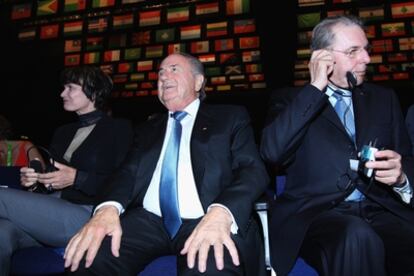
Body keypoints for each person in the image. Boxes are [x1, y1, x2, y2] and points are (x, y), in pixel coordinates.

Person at [64, 52, 269, 276]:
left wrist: (221, 212)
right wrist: (107, 209)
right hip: (148, 220)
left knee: (209, 268)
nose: (164, 77)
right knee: (88, 258)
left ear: (198, 82)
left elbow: (252, 170)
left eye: (173, 69)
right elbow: (127, 173)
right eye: (160, 73)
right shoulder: (148, 128)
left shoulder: (229, 117)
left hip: (206, 217)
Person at [261, 15, 414, 276]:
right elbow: (272, 152)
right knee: (357, 236)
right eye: (354, 51)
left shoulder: (383, 99)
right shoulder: (290, 101)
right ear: (323, 57)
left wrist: (401, 179)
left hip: (381, 208)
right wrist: (316, 87)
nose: (366, 58)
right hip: (318, 216)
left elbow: (406, 157)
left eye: (366, 49)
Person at [0, 65, 134, 275]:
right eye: (63, 88)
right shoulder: (63, 132)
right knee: (2, 232)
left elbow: (126, 182)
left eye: (70, 88)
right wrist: (35, 182)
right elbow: (52, 183)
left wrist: (78, 178)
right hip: (57, 207)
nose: (63, 94)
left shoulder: (119, 129)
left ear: (94, 91)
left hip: (90, 213)